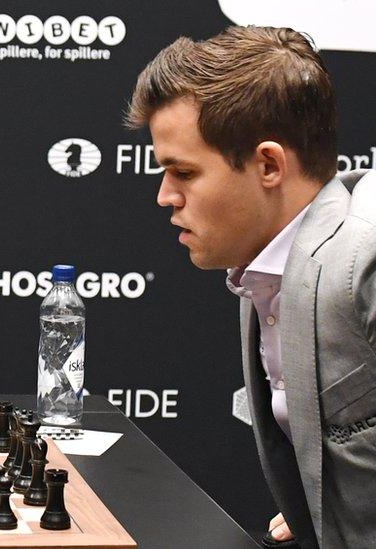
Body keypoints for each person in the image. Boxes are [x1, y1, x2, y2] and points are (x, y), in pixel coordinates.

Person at [127, 26, 376, 549]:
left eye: (184, 172)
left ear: (268, 165)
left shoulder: (364, 259)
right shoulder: (267, 266)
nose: (164, 196)